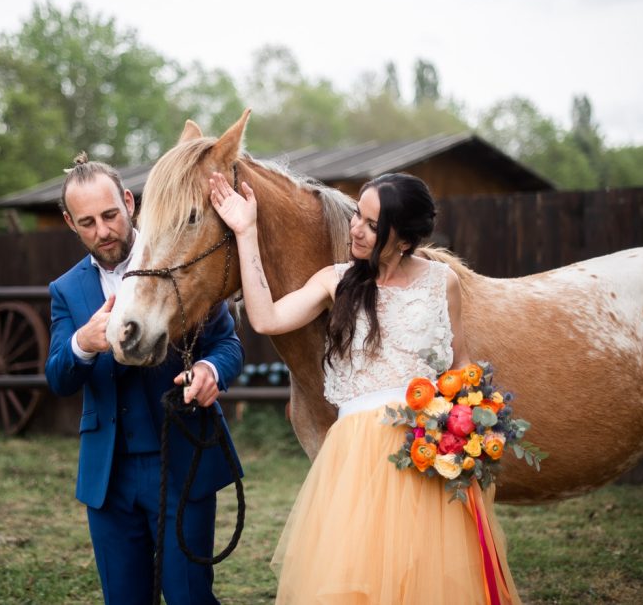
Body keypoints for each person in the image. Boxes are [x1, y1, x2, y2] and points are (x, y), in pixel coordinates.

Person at [208, 170, 520, 604]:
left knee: (425, 576)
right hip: (356, 458)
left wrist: (472, 425)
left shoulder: (441, 282)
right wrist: (246, 231)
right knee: (357, 574)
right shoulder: (335, 280)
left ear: (405, 240)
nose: (355, 228)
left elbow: (459, 365)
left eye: (373, 225)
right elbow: (265, 319)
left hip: (424, 452)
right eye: (358, 215)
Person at [45, 154, 244, 605]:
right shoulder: (66, 290)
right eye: (88, 222)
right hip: (108, 476)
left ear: (130, 202)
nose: (103, 231)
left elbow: (228, 345)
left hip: (182, 460)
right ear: (70, 223)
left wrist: (211, 371)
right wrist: (83, 342)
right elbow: (58, 377)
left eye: (111, 215)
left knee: (190, 597)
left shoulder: (179, 257)